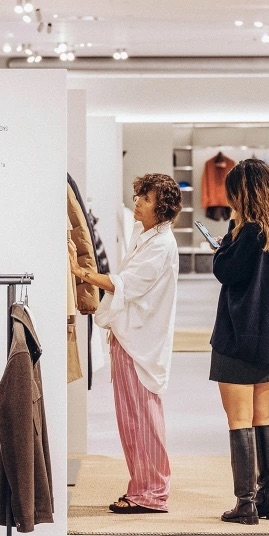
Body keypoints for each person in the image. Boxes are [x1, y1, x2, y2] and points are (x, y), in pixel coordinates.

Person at [75, 174, 181, 513]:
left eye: (146, 199)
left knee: (142, 417)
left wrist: (81, 273)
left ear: (162, 208)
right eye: (139, 196)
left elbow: (127, 284)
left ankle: (151, 493)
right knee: (132, 418)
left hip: (141, 342)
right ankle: (143, 487)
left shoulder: (160, 245)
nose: (137, 202)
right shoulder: (145, 235)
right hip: (131, 337)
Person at [210, 159, 269, 525]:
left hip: (237, 337)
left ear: (242, 194)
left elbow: (225, 271)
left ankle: (245, 503)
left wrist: (225, 243)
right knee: (263, 417)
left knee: (238, 420)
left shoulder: (248, 232)